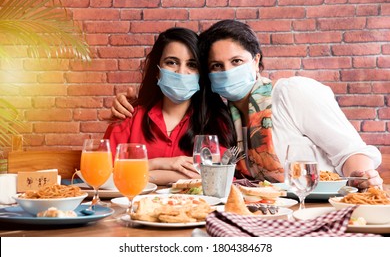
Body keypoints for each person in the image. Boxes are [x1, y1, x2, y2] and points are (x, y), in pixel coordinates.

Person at [111, 20, 383, 189]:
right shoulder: (226, 120)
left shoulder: (292, 93)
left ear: (256, 61)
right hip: (266, 214)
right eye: (217, 66)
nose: (227, 71)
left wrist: (363, 176)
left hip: (320, 203)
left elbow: (349, 152)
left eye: (236, 62)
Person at [104, 27, 236, 186]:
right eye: (171, 62)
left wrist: (138, 172)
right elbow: (103, 176)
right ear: (157, 71)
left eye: (192, 65)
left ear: (200, 75)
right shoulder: (128, 115)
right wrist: (160, 163)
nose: (181, 72)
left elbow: (215, 177)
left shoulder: (216, 122)